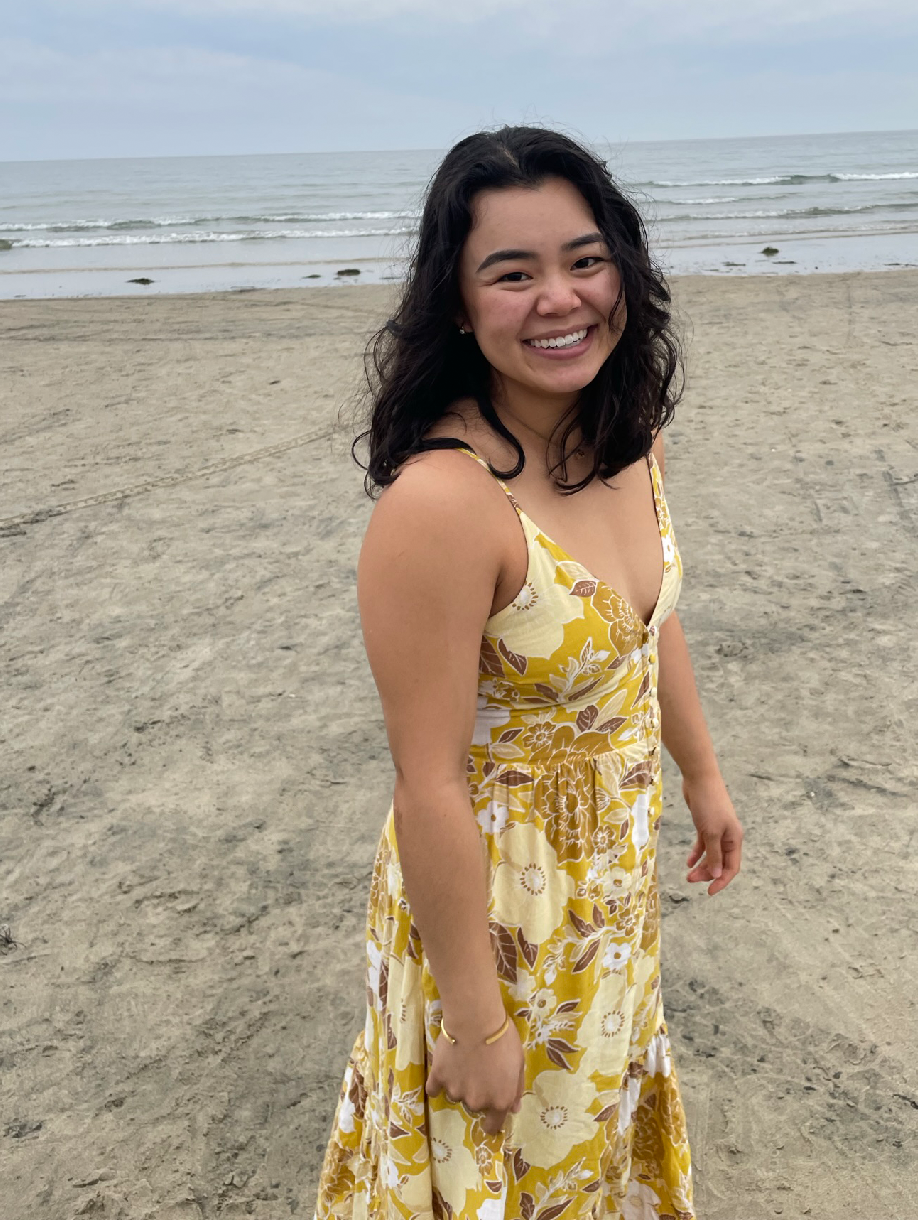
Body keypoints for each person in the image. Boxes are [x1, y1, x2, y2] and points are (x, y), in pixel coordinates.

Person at [314, 126, 743, 1220]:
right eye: (513, 273)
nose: (561, 298)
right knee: (491, 1172)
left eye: (584, 260)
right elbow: (429, 783)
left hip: (612, 883)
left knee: (584, 1153)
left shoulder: (629, 432)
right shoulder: (444, 505)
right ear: (458, 305)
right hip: (494, 915)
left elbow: (650, 631)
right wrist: (473, 1020)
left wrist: (704, 777)